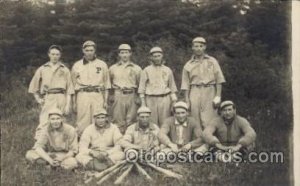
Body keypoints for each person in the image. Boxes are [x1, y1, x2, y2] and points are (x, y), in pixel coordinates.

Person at [28, 45, 74, 139]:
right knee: (45, 120)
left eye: (57, 54)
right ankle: (40, 143)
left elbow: (69, 89)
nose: (55, 56)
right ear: (49, 54)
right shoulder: (42, 69)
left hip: (62, 97)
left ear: (60, 55)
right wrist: (38, 99)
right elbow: (33, 86)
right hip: (49, 97)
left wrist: (67, 105)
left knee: (61, 120)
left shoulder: (64, 69)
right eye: (53, 54)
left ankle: (59, 143)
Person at [181, 37, 226, 129]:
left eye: (201, 46)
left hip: (209, 90)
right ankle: (198, 141)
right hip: (195, 91)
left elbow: (219, 79)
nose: (198, 49)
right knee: (195, 117)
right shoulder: (188, 64)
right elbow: (185, 84)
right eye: (196, 46)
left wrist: (218, 96)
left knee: (210, 118)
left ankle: (210, 140)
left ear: (205, 47)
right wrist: (187, 100)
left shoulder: (212, 61)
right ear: (192, 48)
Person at [71, 40, 111, 135]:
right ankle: (82, 141)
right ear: (83, 51)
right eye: (87, 50)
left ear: (95, 51)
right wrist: (74, 102)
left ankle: (97, 142)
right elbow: (72, 86)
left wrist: (105, 101)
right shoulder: (77, 65)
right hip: (82, 94)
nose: (89, 52)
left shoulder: (102, 64)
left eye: (91, 50)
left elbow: (106, 85)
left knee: (98, 118)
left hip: (97, 94)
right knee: (82, 119)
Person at [138, 47, 178, 127]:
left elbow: (172, 87)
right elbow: (142, 89)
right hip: (150, 99)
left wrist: (174, 102)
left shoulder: (167, 70)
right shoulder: (146, 70)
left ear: (162, 56)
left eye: (158, 56)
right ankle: (153, 138)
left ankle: (164, 138)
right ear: (151, 57)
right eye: (155, 56)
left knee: (165, 121)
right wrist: (143, 103)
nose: (157, 58)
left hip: (164, 98)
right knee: (152, 122)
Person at [109, 44, 142, 134]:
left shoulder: (137, 68)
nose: (124, 55)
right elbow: (109, 83)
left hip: (131, 94)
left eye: (126, 52)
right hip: (118, 94)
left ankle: (130, 140)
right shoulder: (113, 68)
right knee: (117, 120)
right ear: (119, 54)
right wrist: (111, 95)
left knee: (131, 119)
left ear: (130, 53)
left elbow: (140, 85)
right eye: (122, 53)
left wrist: (138, 97)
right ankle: (119, 141)